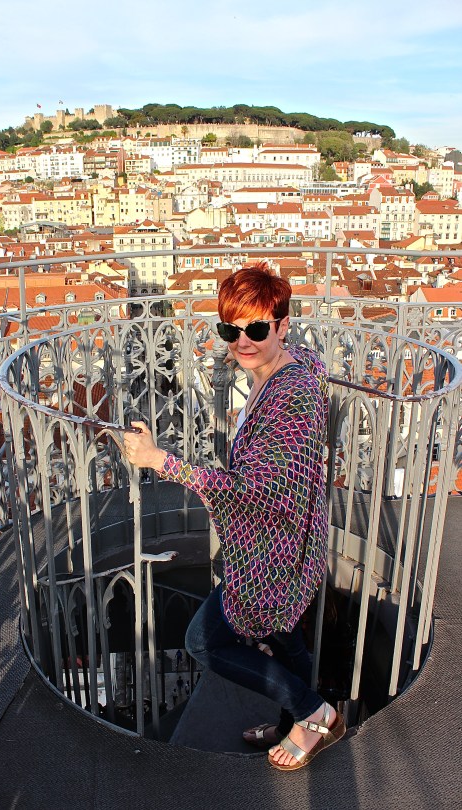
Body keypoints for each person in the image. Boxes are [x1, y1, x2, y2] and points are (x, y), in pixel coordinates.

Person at [123, 263, 345, 772]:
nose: (242, 341)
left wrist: (161, 461)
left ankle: (312, 712)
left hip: (273, 552)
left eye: (258, 328)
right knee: (285, 636)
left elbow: (256, 490)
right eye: (231, 329)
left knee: (203, 641)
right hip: (288, 541)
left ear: (283, 326)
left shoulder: (290, 396)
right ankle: (296, 722)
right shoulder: (291, 365)